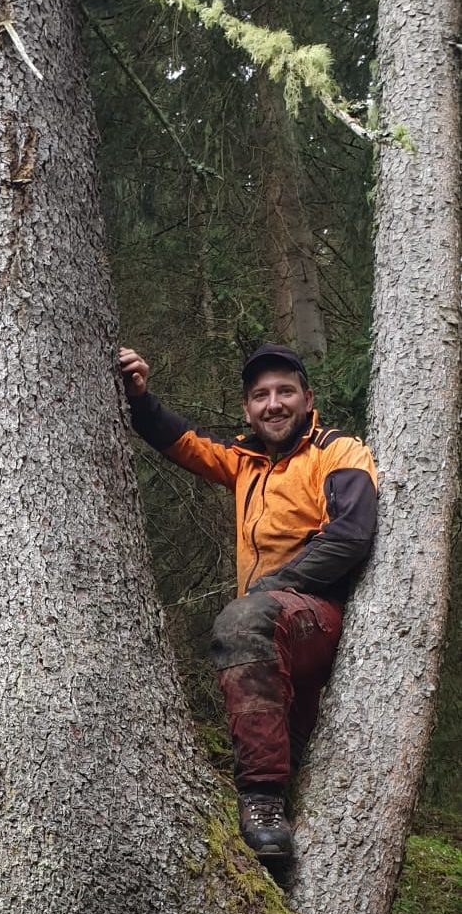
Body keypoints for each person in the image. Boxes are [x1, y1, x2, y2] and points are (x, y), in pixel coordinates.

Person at [119, 344, 378, 862]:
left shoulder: (337, 451)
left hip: (317, 617)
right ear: (247, 409)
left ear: (308, 398)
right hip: (269, 639)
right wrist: (139, 398)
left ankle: (257, 800)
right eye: (260, 396)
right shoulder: (247, 462)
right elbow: (184, 443)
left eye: (285, 391)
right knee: (298, 773)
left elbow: (350, 535)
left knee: (241, 620)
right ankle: (277, 869)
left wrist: (271, 587)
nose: (273, 404)